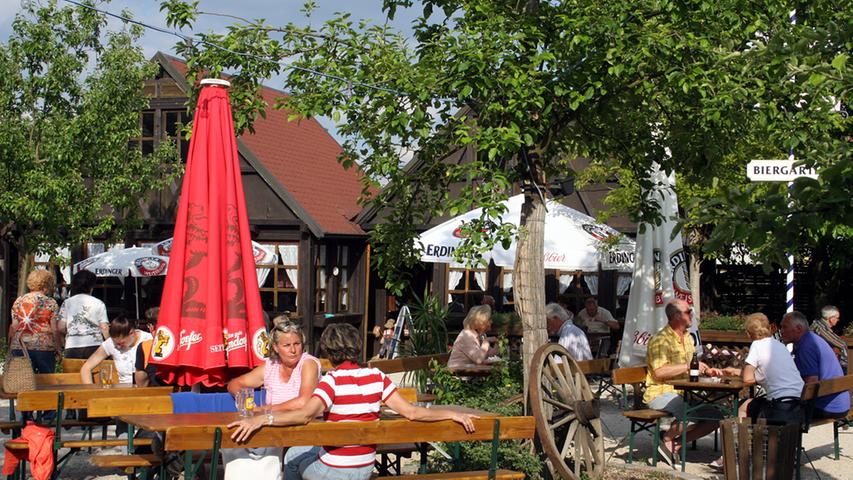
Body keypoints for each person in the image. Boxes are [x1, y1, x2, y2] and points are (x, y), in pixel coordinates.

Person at [228, 323, 479, 480]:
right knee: (299, 451)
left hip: (334, 471)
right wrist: (451, 413)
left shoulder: (332, 381)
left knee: (293, 459)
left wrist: (264, 417)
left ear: (328, 351)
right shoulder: (376, 376)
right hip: (365, 467)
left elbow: (305, 414)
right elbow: (413, 413)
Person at [222, 317, 321, 480]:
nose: (293, 350)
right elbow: (234, 384)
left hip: (302, 428)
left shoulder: (308, 363)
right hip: (273, 428)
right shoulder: (270, 366)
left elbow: (303, 401)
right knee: (236, 443)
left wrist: (262, 410)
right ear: (276, 347)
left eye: (297, 344)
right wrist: (246, 400)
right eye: (287, 345)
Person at [709, 313, 805, 469]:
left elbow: (748, 379)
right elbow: (764, 373)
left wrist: (739, 372)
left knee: (742, 407)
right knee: (753, 405)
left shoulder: (757, 346)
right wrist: (734, 371)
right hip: (798, 406)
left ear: (749, 333)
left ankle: (735, 455)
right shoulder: (778, 345)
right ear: (768, 328)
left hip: (780, 408)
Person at [644, 299, 724, 466]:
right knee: (691, 414)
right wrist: (687, 366)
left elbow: (692, 366)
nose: (692, 315)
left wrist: (707, 370)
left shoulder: (688, 337)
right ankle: (666, 437)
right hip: (661, 392)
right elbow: (659, 372)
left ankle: (675, 443)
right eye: (688, 312)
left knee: (716, 417)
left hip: (685, 392)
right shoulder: (660, 340)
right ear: (676, 316)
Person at [780, 311, 850, 419]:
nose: (781, 331)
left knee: (774, 410)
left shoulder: (806, 347)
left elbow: (811, 383)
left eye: (784, 327)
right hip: (840, 404)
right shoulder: (811, 338)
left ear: (799, 329)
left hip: (828, 407)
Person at [9, 270, 62, 374]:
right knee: (46, 383)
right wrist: (58, 348)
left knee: (22, 383)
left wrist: (11, 346)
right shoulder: (50, 302)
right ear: (47, 284)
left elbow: (14, 327)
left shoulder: (19, 301)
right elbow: (55, 329)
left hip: (20, 347)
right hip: (44, 349)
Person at [80, 316, 153, 385]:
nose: (118, 346)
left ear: (132, 333)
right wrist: (91, 390)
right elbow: (86, 368)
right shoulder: (110, 343)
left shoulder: (149, 340)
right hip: (122, 391)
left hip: (145, 390)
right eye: (115, 343)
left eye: (121, 343)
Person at [57, 270, 109, 360]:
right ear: (91, 286)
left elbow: (61, 327)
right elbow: (104, 328)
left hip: (72, 345)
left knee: (72, 374)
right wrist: (110, 343)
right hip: (94, 345)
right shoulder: (99, 303)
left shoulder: (67, 303)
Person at [811, 305, 848, 374]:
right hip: (816, 365)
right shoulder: (820, 328)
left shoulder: (820, 325)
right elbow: (840, 343)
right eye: (837, 318)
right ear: (831, 319)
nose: (838, 320)